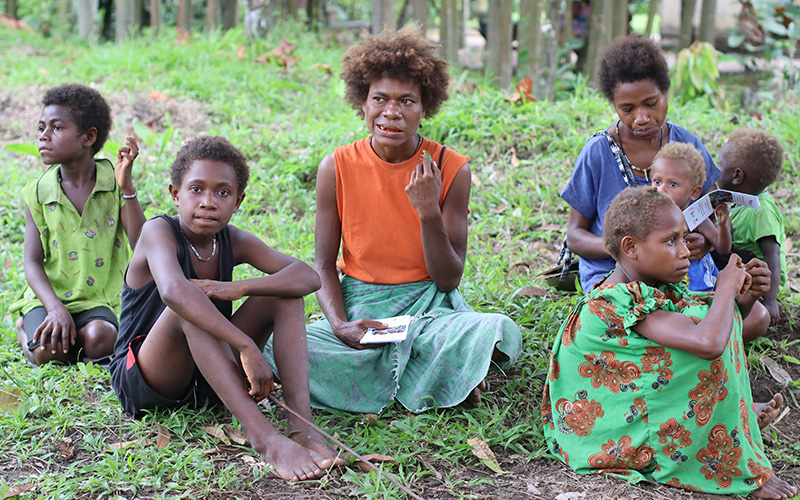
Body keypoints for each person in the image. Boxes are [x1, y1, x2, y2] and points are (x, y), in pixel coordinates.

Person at [264, 25, 522, 414]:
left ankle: (416, 369)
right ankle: (435, 377)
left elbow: (449, 278)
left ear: (425, 107)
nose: (391, 113)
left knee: (495, 329)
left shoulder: (451, 168)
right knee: (276, 344)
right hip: (360, 305)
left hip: (431, 307)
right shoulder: (336, 167)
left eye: (407, 101)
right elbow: (322, 264)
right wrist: (338, 325)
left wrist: (427, 212)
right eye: (380, 99)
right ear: (362, 103)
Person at [108, 136, 340, 481]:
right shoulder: (159, 231)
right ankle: (267, 441)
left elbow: (307, 277)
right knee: (189, 306)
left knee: (285, 294)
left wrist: (240, 287)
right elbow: (173, 292)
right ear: (175, 194)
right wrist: (246, 345)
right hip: (148, 377)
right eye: (196, 189)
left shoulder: (233, 239)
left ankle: (300, 425)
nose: (208, 202)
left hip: (211, 378)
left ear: (238, 200)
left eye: (222, 193)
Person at [542, 186, 795, 499]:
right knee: (708, 357)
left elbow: (714, 326)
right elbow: (710, 343)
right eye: (670, 241)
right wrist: (725, 287)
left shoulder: (649, 286)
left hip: (636, 410)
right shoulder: (617, 300)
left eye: (684, 238)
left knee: (709, 324)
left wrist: (746, 295)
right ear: (631, 247)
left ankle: (734, 418)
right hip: (611, 434)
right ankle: (731, 465)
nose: (685, 250)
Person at [562, 35, 720, 294]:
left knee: (749, 314)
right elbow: (575, 236)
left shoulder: (686, 146)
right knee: (652, 318)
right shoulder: (598, 152)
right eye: (627, 109)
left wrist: (706, 242)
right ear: (613, 105)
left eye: (651, 103)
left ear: (665, 92)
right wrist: (632, 250)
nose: (642, 118)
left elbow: (714, 210)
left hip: (680, 273)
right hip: (616, 276)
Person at [11, 83, 145, 365]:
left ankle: (77, 336)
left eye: (56, 128)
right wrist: (54, 308)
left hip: (95, 299)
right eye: (41, 128)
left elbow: (142, 244)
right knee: (50, 352)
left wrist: (127, 186)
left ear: (89, 137)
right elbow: (32, 262)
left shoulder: (113, 184)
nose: (43, 137)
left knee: (101, 339)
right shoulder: (38, 192)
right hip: (48, 297)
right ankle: (25, 330)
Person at [716, 129, 786, 326]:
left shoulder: (761, 211)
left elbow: (772, 255)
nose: (716, 170)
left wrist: (770, 300)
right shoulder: (739, 201)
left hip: (758, 281)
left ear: (737, 176)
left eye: (720, 165)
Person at [651, 142, 731, 292]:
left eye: (673, 184)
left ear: (694, 192)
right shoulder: (648, 216)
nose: (661, 189)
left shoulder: (694, 215)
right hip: (663, 285)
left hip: (698, 285)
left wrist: (722, 225)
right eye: (657, 181)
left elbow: (722, 247)